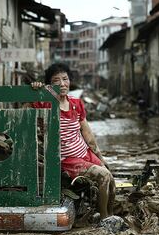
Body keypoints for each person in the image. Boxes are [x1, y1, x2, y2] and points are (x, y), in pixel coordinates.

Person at [31, 63, 115, 219]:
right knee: (103, 176)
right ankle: (104, 218)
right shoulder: (45, 103)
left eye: (65, 79)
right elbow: (25, 108)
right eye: (56, 80)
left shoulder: (76, 103)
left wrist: (101, 159)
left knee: (110, 177)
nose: (62, 84)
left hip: (85, 152)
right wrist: (35, 89)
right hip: (67, 159)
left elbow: (88, 135)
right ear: (50, 84)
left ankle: (110, 214)